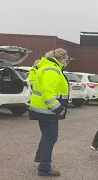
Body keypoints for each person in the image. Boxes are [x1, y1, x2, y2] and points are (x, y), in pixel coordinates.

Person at [29, 48, 72, 177]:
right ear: (62, 58)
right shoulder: (52, 70)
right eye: (66, 60)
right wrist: (58, 109)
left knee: (47, 136)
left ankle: (40, 157)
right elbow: (48, 93)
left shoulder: (47, 67)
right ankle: (44, 168)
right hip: (48, 111)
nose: (66, 62)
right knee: (51, 137)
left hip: (42, 109)